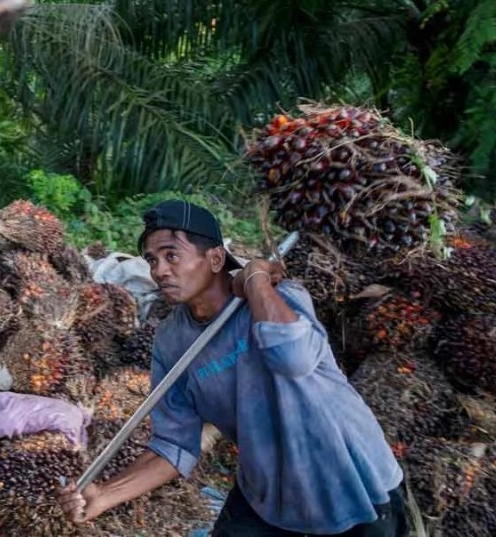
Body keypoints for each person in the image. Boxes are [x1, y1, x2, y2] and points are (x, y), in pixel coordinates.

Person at [57, 200, 409, 536]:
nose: (159, 270)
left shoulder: (280, 296)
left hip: (352, 483)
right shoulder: (171, 341)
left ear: (214, 259)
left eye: (171, 255)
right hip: (270, 491)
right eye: (152, 259)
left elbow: (293, 358)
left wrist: (255, 278)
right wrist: (105, 494)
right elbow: (174, 444)